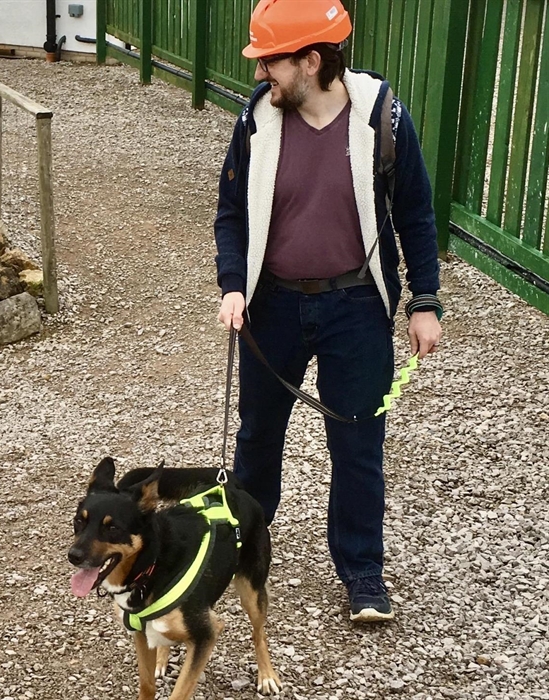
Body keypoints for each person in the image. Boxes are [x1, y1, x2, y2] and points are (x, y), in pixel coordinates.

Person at [214, 0, 443, 622]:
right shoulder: (256, 118)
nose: (261, 72)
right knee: (258, 436)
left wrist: (424, 302)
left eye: (270, 61)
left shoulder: (383, 116)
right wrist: (233, 284)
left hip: (357, 307)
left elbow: (415, 215)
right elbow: (230, 213)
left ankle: (364, 572)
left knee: (359, 444)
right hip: (271, 307)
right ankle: (241, 549)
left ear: (311, 61)